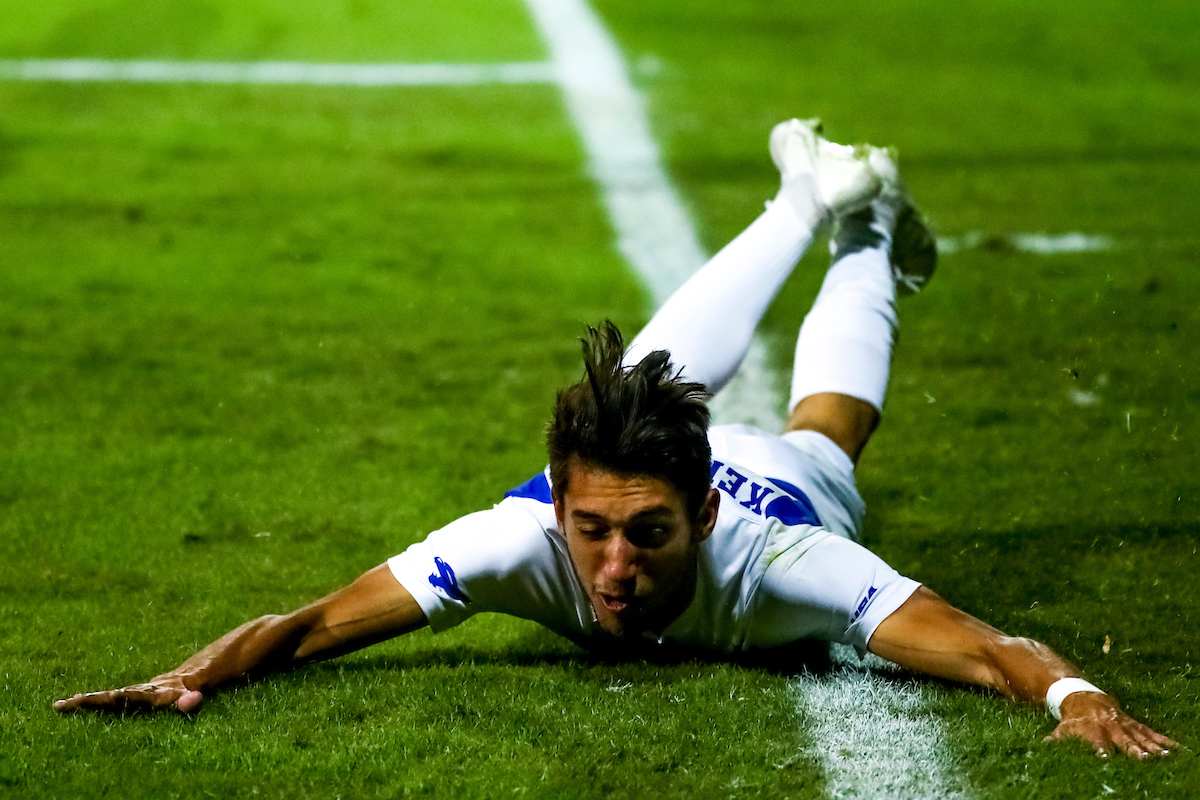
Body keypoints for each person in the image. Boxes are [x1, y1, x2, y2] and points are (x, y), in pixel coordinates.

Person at [54, 119, 1175, 759]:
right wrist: (185, 674)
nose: (613, 569)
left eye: (645, 533)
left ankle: (866, 225)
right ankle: (814, 201)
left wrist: (1077, 698)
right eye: (588, 530)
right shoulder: (511, 540)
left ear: (702, 515)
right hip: (659, 463)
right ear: (554, 502)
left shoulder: (787, 562)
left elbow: (983, 643)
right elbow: (305, 627)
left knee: (827, 436)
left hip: (789, 483)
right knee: (645, 378)